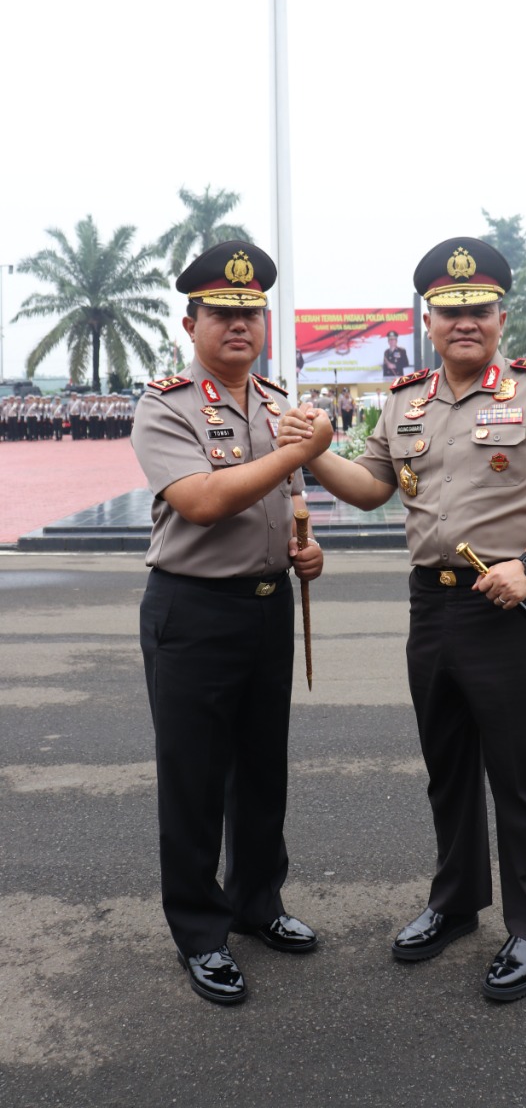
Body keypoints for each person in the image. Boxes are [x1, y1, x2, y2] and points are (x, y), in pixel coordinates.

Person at [279, 236, 526, 1003]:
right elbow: (370, 488)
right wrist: (318, 450)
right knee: (449, 765)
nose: (466, 321)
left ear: (501, 316)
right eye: (451, 310)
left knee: (522, 773)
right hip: (433, 602)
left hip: (513, 602)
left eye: (480, 310)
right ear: (429, 318)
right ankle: (456, 903)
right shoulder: (406, 402)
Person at [131, 240, 332, 1007]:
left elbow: (280, 509)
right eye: (223, 313)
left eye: (252, 313)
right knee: (194, 779)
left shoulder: (280, 403)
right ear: (192, 322)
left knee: (261, 769)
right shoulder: (166, 404)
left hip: (265, 605)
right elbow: (204, 502)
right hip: (193, 609)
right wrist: (296, 457)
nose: (239, 325)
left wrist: (302, 554)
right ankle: (200, 931)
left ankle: (257, 903)